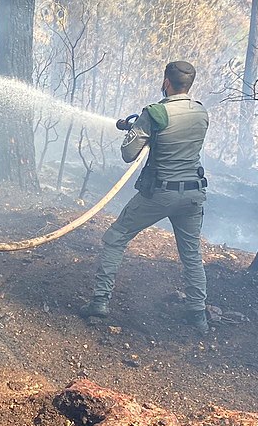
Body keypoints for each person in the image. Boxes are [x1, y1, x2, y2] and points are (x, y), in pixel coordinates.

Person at [82, 61, 211, 336]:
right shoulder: (201, 112)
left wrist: (139, 129)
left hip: (160, 194)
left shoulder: (155, 113)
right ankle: (198, 315)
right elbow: (176, 139)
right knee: (192, 255)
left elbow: (129, 153)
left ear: (166, 81)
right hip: (192, 194)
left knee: (115, 238)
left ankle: (100, 302)